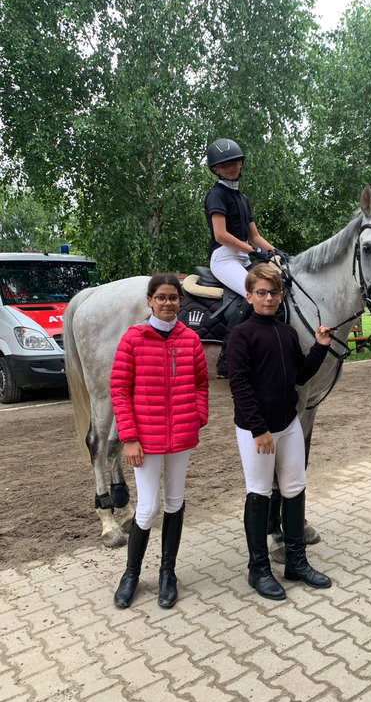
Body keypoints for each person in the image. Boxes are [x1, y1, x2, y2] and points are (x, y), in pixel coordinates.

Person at [228, 262, 332, 601]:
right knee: (259, 493)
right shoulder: (241, 335)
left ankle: (296, 561)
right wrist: (258, 429)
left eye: (273, 292)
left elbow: (300, 375)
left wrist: (320, 346)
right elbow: (240, 386)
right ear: (249, 296)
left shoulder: (287, 333)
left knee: (294, 489)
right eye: (261, 293)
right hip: (257, 431)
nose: (268, 298)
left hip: (288, 426)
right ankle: (258, 568)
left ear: (280, 295)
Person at [110, 273, 209, 609]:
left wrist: (198, 416)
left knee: (175, 502)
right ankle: (131, 574)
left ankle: (168, 571)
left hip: (181, 435)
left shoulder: (190, 339)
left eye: (173, 298)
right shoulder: (133, 339)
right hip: (145, 439)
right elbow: (119, 390)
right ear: (150, 301)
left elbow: (201, 383)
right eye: (162, 297)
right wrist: (129, 438)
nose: (168, 303)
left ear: (180, 301)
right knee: (148, 507)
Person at [204, 137, 275, 297]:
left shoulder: (243, 199)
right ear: (216, 169)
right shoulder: (216, 195)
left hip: (244, 257)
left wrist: (276, 252)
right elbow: (221, 235)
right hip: (225, 259)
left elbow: (254, 236)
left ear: (241, 163)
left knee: (279, 284)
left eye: (234, 163)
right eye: (224, 165)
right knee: (258, 295)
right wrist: (253, 250)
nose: (231, 168)